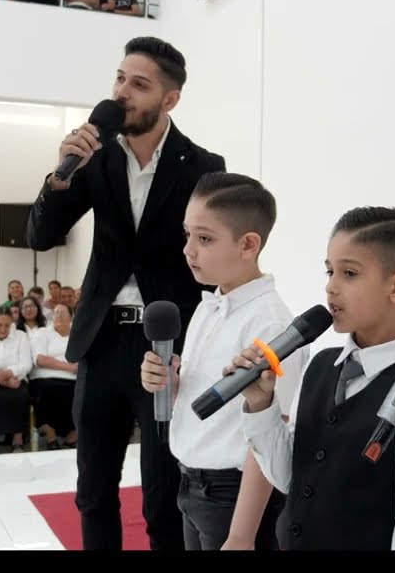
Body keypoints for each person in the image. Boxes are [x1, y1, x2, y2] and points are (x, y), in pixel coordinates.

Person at [26, 36, 227, 550]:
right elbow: (40, 237)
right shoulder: (92, 159)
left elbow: (214, 258)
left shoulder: (203, 165)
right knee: (93, 492)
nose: (122, 93)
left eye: (139, 84)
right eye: (119, 79)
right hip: (100, 343)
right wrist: (59, 176)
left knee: (162, 499)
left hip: (165, 349)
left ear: (170, 99)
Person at [230, 206, 395, 550]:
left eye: (349, 274)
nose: (331, 287)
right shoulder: (321, 365)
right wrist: (260, 404)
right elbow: (290, 475)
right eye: (329, 271)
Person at [140, 172, 300, 550]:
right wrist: (169, 380)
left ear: (248, 244)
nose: (188, 250)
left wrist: (242, 534)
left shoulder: (271, 323)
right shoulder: (208, 306)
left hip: (233, 496)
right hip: (192, 483)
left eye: (205, 238)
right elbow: (205, 396)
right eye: (187, 235)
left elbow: (269, 433)